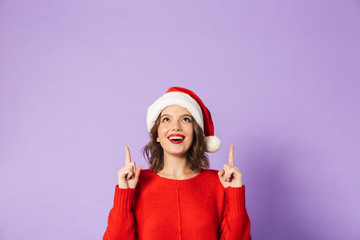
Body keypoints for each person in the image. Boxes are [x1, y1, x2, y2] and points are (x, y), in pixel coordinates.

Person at [103, 87, 251, 240]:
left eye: (185, 119)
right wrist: (124, 194)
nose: (176, 127)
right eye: (166, 119)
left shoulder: (220, 183)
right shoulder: (136, 182)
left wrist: (235, 195)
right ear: (157, 135)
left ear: (195, 133)